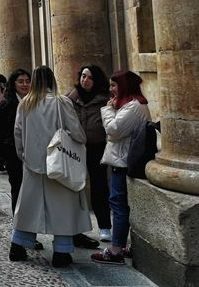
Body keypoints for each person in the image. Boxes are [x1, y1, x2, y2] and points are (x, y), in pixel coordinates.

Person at [10, 65, 91, 268]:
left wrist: (24, 156)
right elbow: (76, 130)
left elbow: (17, 134)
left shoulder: (25, 104)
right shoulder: (60, 102)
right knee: (62, 208)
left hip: (33, 164)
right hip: (59, 162)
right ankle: (61, 252)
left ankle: (18, 246)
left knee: (27, 206)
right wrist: (81, 141)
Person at [91, 70, 151, 265]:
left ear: (124, 86)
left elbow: (113, 130)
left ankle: (116, 249)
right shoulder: (131, 106)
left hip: (123, 162)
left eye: (114, 85)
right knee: (119, 204)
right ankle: (121, 245)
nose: (111, 90)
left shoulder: (134, 107)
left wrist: (107, 110)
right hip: (122, 160)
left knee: (117, 204)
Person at [66, 65, 112, 249]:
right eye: (83, 76)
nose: (85, 80)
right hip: (75, 148)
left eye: (90, 77)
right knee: (74, 186)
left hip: (96, 147)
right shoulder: (71, 97)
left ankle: (104, 226)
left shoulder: (104, 99)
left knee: (99, 186)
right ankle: (74, 227)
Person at [0, 69, 30, 213]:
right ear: (14, 84)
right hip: (14, 156)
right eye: (21, 81)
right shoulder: (6, 105)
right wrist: (5, 154)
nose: (25, 85)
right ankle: (19, 228)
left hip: (34, 156)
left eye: (27, 81)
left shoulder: (35, 103)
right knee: (18, 190)